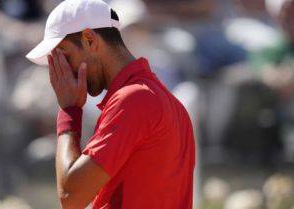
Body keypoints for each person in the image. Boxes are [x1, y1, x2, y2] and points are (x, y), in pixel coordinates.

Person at [26, 0, 196, 208]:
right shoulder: (158, 99)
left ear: (89, 39)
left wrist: (68, 111)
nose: (64, 71)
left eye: (65, 56)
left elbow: (71, 196)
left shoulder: (134, 100)